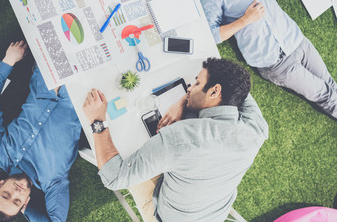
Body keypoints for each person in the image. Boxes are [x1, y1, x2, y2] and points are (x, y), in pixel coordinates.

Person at [83, 57, 268, 222]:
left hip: (166, 215)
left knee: (127, 144)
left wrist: (97, 120)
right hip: (211, 212)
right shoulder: (256, 129)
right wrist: (186, 100)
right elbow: (239, 87)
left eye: (196, 83)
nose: (190, 87)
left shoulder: (179, 138)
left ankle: (85, 143)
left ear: (214, 92)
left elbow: (114, 177)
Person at [0, 41, 81, 221]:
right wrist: (27, 211)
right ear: (25, 202)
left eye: (6, 194)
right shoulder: (52, 183)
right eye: (17, 201)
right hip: (83, 90)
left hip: (48, 72)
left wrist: (9, 60)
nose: (15, 193)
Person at [200, 0, 337, 119]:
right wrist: (246, 19)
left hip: (296, 40)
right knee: (326, 96)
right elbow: (210, 35)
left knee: (331, 85)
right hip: (277, 63)